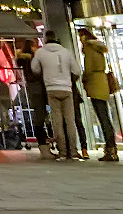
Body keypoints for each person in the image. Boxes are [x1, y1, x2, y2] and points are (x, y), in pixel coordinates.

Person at [31, 34, 82, 162]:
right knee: (70, 121)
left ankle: (63, 152)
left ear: (45, 40)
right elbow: (77, 71)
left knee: (57, 122)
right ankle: (74, 152)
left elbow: (34, 69)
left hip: (51, 89)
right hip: (67, 89)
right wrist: (67, 78)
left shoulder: (40, 52)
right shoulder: (66, 52)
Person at [78, 27, 119, 161]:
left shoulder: (89, 49)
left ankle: (110, 149)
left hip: (95, 85)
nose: (79, 40)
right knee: (105, 117)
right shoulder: (98, 48)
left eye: (80, 37)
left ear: (84, 37)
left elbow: (89, 69)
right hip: (102, 84)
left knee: (103, 117)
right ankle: (112, 149)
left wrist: (84, 79)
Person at [14, 40, 50, 157]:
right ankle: (45, 145)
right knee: (42, 116)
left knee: (38, 116)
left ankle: (43, 145)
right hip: (40, 87)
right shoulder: (35, 58)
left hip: (32, 88)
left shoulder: (23, 59)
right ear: (33, 47)